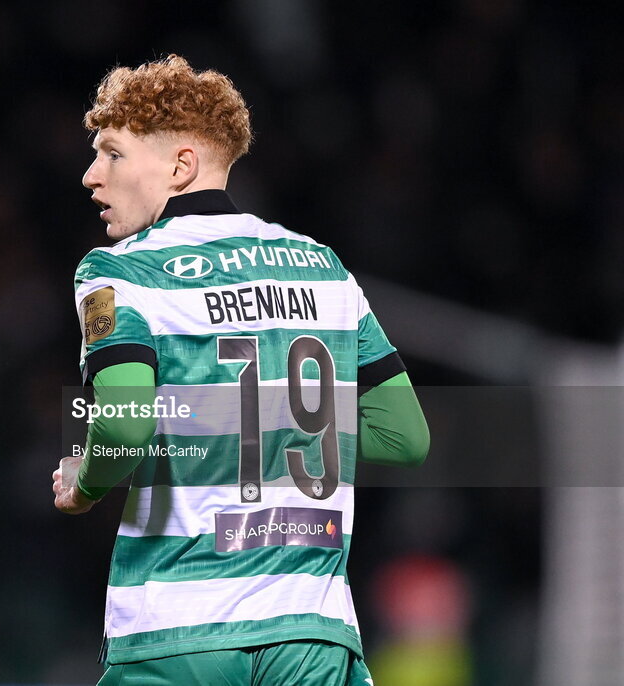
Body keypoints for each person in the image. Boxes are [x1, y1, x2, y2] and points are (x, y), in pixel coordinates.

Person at [52, 55, 430, 685]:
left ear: (180, 166)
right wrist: (279, 422)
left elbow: (121, 427)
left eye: (113, 154)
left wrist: (85, 484)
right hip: (313, 632)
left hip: (172, 633)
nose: (92, 176)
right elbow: (406, 434)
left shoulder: (119, 272)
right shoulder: (323, 267)